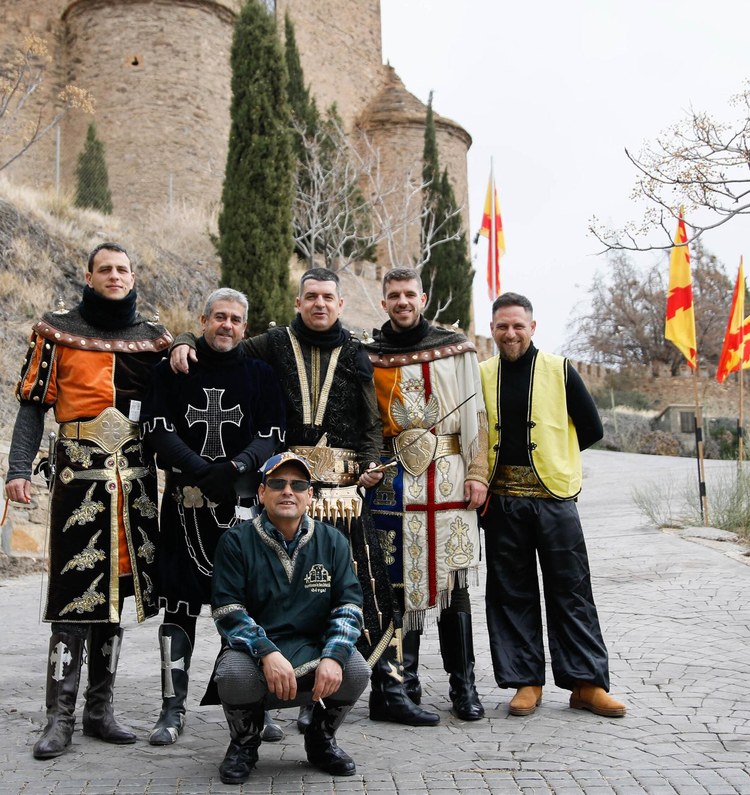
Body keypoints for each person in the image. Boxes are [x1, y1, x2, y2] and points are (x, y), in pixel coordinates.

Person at [170, 267, 434, 726]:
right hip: (287, 492)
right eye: (310, 296)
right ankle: (272, 694)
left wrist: (370, 464)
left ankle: (383, 692)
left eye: (327, 297)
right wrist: (185, 340)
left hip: (346, 495)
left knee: (368, 591)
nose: (319, 304)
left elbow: (371, 421)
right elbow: (224, 345)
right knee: (279, 592)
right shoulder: (270, 343)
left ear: (340, 304)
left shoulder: (356, 351)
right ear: (299, 302)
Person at [4, 242, 172, 760]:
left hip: (135, 487)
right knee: (74, 599)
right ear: (89, 275)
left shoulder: (154, 341)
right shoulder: (56, 332)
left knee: (116, 600)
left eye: (123, 268)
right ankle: (59, 717)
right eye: (106, 269)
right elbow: (32, 407)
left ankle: (101, 711)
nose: (115, 276)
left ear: (133, 274)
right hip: (80, 480)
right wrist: (17, 469)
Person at [142, 287, 285, 746]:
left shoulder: (261, 373)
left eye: (236, 319)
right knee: (179, 606)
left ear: (245, 325)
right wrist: (202, 469)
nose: (227, 325)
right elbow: (156, 428)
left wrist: (237, 467)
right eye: (219, 317)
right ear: (203, 320)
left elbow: (272, 434)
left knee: (244, 608)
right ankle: (170, 709)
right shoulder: (173, 367)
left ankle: (247, 705)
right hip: (186, 504)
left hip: (241, 508)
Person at [479, 292, 626, 719]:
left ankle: (587, 684)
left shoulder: (560, 370)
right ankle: (527, 682)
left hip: (555, 500)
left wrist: (554, 459)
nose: (511, 333)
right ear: (492, 328)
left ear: (532, 327)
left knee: (572, 591)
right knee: (511, 593)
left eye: (518, 325)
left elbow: (593, 428)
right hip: (502, 502)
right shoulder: (481, 374)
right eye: (503, 326)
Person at [363, 268, 487, 721]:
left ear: (423, 298)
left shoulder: (456, 349)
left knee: (454, 586)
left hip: (450, 477)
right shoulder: (368, 355)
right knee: (394, 587)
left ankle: (464, 687)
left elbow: (478, 416)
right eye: (393, 295)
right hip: (392, 483)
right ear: (384, 302)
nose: (402, 301)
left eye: (409, 294)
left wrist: (478, 474)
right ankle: (401, 685)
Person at [206, 451, 370, 785]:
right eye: (277, 484)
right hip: (257, 656)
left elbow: (349, 607)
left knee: (355, 669)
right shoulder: (236, 542)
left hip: (313, 648)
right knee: (233, 674)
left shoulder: (333, 541)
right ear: (261, 492)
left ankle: (320, 740)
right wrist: (267, 652)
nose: (287, 492)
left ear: (310, 495)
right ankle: (244, 744)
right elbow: (228, 612)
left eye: (298, 485)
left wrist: (334, 655)